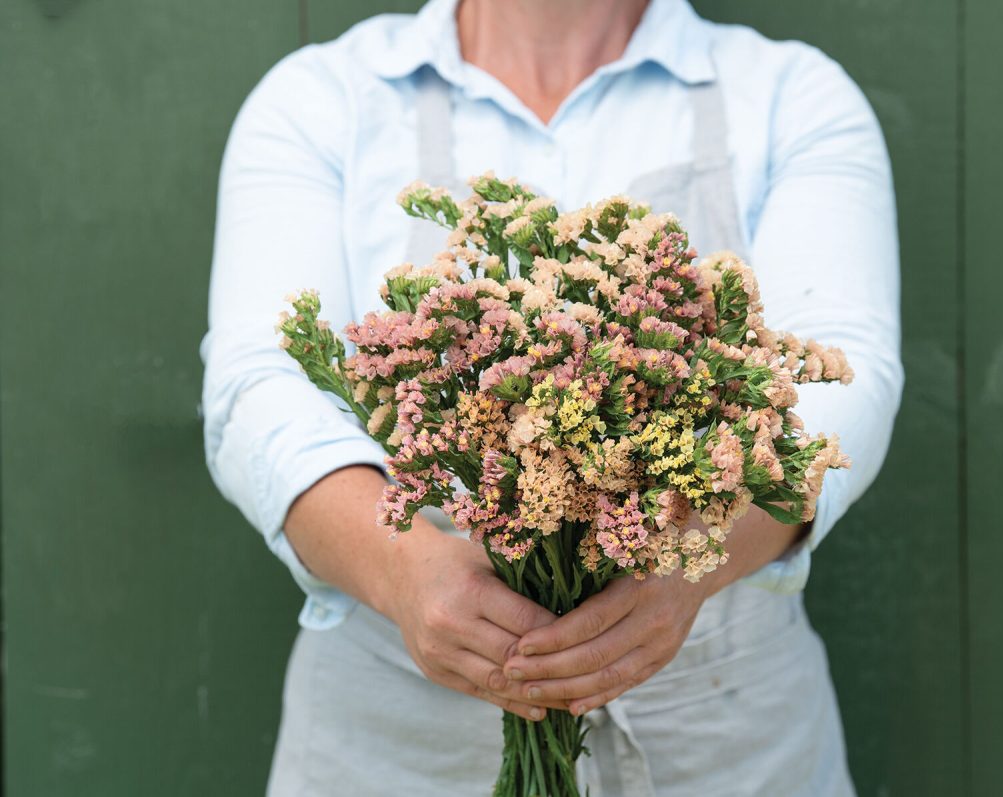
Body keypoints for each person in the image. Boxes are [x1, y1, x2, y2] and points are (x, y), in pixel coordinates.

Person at [201, 0, 903, 793]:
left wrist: (691, 560)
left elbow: (848, 374)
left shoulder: (789, 95)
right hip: (398, 743)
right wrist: (402, 571)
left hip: (724, 737)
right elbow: (256, 388)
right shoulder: (327, 97)